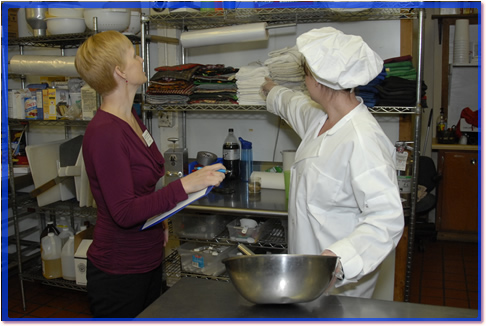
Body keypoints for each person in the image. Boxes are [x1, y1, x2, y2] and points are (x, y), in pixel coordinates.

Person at [74, 31, 226, 318]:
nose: (141, 58)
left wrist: (160, 219)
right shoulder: (106, 132)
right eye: (133, 55)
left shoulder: (130, 116)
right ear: (120, 71)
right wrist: (184, 186)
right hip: (119, 270)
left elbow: (139, 189)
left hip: (146, 258)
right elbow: (124, 212)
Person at [261, 27, 404, 298]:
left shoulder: (362, 140)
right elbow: (294, 105)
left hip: (339, 286)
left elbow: (387, 218)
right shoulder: (322, 120)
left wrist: (338, 259)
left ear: (316, 78)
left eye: (305, 75)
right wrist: (270, 89)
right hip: (306, 275)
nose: (304, 82)